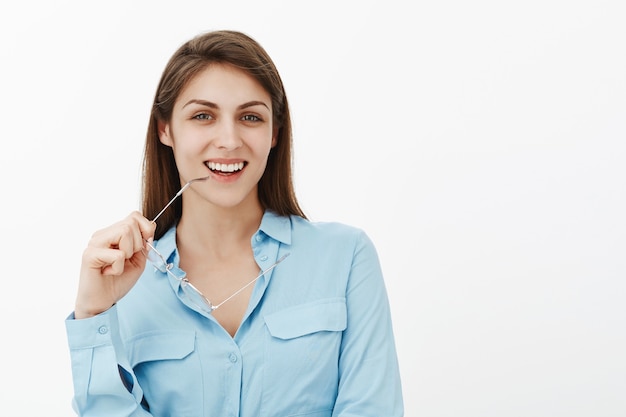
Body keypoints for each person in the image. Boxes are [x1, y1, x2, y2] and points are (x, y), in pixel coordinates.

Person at [65, 29, 404, 417]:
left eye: (250, 116)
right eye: (203, 116)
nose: (229, 140)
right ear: (165, 129)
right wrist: (93, 315)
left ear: (274, 132)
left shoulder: (346, 258)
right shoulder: (124, 282)